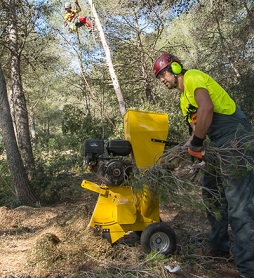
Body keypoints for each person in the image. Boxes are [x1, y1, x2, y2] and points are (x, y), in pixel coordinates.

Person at [153, 53, 254, 278]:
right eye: (158, 76)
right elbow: (195, 134)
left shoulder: (193, 78)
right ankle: (218, 248)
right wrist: (181, 155)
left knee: (239, 205)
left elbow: (207, 109)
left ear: (176, 67)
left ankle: (248, 268)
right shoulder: (182, 101)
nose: (161, 79)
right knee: (212, 195)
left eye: (163, 73)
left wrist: (198, 144)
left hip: (234, 137)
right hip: (217, 143)